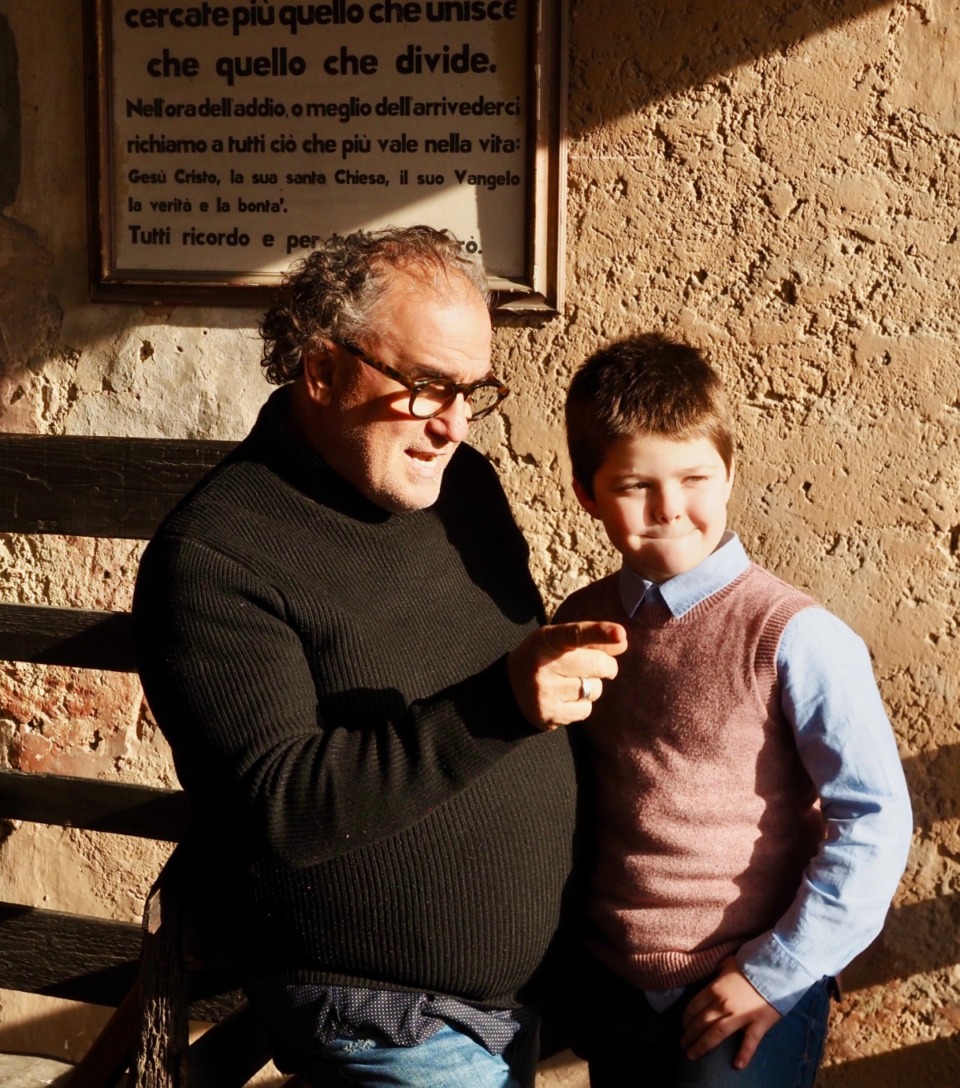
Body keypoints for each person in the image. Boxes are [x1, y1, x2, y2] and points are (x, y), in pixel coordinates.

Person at [133, 225, 624, 1088]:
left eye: (473, 391)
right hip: (389, 1018)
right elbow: (284, 808)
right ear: (322, 371)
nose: (453, 425)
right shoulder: (215, 557)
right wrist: (503, 704)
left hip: (534, 997)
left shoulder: (464, 488)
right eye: (428, 386)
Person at [555, 331, 912, 1088]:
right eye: (634, 485)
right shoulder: (580, 620)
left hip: (741, 986)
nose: (670, 509)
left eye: (695, 478)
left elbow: (874, 820)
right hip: (614, 988)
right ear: (587, 493)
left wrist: (772, 973)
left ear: (729, 475)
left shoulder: (793, 635)